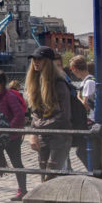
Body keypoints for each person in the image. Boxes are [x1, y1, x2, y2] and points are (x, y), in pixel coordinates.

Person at [26, 46, 71, 181]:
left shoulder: (59, 83)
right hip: (44, 135)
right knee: (43, 175)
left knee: (51, 176)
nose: (35, 62)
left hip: (60, 136)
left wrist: (39, 126)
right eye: (34, 59)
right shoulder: (35, 83)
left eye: (39, 59)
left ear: (48, 62)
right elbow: (34, 112)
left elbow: (64, 115)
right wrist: (34, 132)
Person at [0, 70, 27, 200]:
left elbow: (19, 115)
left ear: (1, 83)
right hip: (0, 137)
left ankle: (22, 190)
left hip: (12, 137)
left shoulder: (9, 96)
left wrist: (9, 129)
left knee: (17, 163)